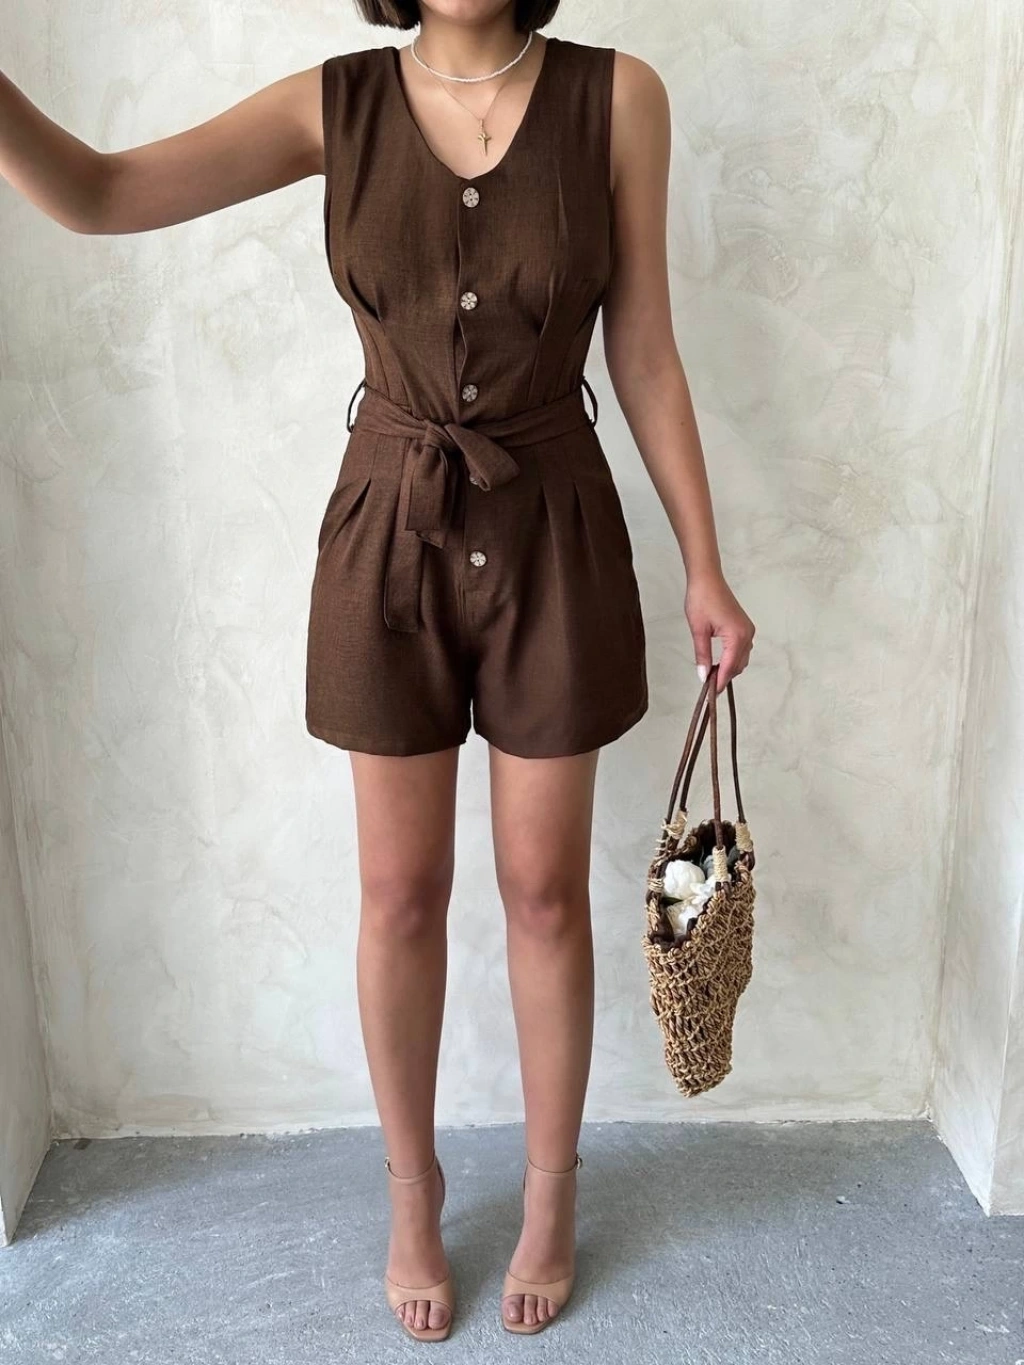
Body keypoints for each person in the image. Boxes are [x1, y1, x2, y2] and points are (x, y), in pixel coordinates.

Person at [0, 0, 755, 1344]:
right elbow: (103, 194)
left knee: (544, 894)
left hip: (557, 535)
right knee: (400, 894)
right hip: (385, 542)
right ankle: (414, 1193)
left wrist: (706, 560)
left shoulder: (618, 97)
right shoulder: (335, 104)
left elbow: (642, 342)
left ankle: (552, 1193)